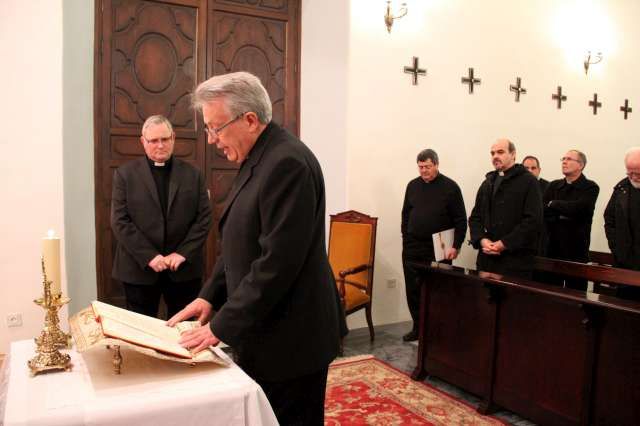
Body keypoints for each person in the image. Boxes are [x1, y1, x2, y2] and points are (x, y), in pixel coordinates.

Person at [167, 72, 345, 425]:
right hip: (267, 330)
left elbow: (276, 263)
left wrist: (220, 326)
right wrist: (209, 296)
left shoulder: (287, 163)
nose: (212, 140)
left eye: (216, 129)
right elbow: (240, 241)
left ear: (249, 119)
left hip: (293, 338)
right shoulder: (258, 156)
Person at [111, 115, 212, 318]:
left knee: (184, 329)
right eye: (153, 140)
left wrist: (182, 253)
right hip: (139, 269)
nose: (160, 145)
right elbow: (120, 220)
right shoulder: (125, 174)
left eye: (165, 139)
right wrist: (149, 256)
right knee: (141, 331)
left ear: (173, 137)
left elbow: (204, 218)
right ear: (143, 141)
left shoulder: (193, 174)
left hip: (183, 269)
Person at [401, 149, 467, 342]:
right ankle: (418, 327)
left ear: (436, 164)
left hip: (439, 247)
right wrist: (406, 236)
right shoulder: (412, 186)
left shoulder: (450, 187)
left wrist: (456, 245)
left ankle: (437, 329)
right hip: (413, 246)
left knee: (438, 290)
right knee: (413, 289)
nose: (423, 171)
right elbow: (406, 214)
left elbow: (461, 219)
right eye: (420, 167)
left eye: (427, 167)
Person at [469, 139, 542, 278]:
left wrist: (504, 243)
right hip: (486, 259)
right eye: (492, 153)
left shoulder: (529, 181)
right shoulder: (488, 182)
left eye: (500, 152)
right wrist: (482, 240)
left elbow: (532, 221)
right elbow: (475, 217)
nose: (495, 156)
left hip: (515, 261)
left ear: (513, 154)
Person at [543, 150, 599, 290]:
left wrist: (554, 204)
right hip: (553, 249)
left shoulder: (590, 187)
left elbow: (580, 209)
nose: (564, 162)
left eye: (569, 159)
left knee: (576, 293)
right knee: (550, 293)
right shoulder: (553, 186)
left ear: (581, 165)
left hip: (576, 250)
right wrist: (564, 212)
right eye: (563, 159)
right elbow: (543, 211)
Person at [604, 147, 640, 299]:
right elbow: (609, 219)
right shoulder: (621, 188)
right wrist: (617, 248)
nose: (634, 177)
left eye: (638, 173)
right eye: (630, 173)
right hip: (625, 263)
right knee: (624, 305)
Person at [523, 155, 550, 255]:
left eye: (533, 168)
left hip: (540, 236)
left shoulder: (548, 187)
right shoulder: (516, 187)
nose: (530, 171)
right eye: (526, 168)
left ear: (539, 170)